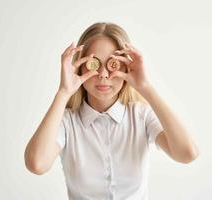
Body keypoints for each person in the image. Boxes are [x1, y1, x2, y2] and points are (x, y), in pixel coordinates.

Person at [24, 22, 199, 200]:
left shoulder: (141, 115)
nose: (103, 74)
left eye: (113, 63)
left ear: (126, 67)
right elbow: (37, 164)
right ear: (80, 65)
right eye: (94, 63)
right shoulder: (67, 122)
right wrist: (63, 92)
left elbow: (187, 154)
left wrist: (145, 87)